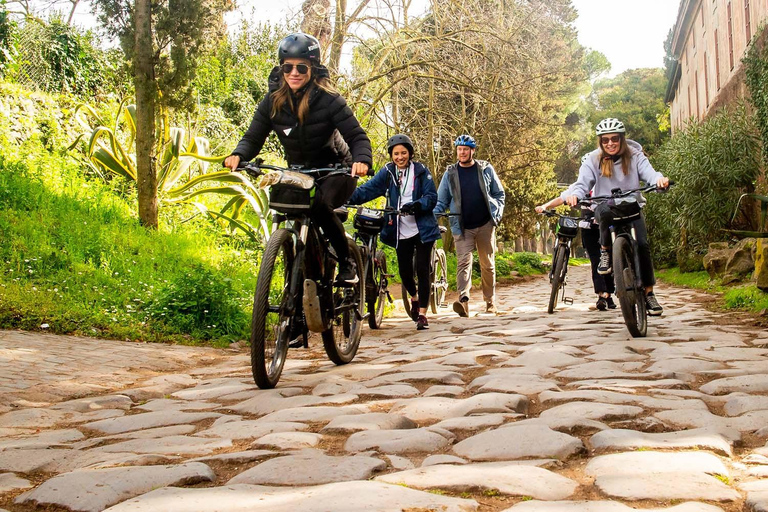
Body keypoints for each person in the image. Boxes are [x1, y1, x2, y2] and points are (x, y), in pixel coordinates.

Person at [224, 32, 372, 285]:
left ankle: (346, 260)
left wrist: (362, 160)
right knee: (285, 204)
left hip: (337, 171)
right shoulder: (272, 102)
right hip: (299, 172)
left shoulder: (330, 100)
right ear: (281, 69)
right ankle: (300, 267)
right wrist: (239, 155)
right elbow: (253, 136)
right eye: (288, 67)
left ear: (312, 69)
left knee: (321, 204)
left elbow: (357, 137)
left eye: (301, 67)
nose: (294, 72)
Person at [560, 118, 669, 316]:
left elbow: (650, 174)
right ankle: (605, 251)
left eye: (615, 139)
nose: (610, 143)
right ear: (600, 142)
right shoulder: (593, 159)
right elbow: (582, 182)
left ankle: (649, 293)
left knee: (642, 245)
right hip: (606, 207)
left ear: (622, 138)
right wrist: (575, 194)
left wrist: (659, 180)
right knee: (602, 212)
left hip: (631, 208)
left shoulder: (635, 156)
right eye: (605, 140)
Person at [347, 134, 440, 330]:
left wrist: (416, 205)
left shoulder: (421, 171)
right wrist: (343, 197)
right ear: (391, 155)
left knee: (422, 269)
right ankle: (414, 299)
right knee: (405, 272)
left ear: (410, 153)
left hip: (422, 228)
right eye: (396, 153)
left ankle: (422, 314)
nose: (400, 157)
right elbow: (368, 190)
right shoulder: (388, 172)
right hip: (400, 229)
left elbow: (432, 197)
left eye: (403, 153)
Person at [434, 134, 505, 316]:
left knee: (487, 264)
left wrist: (495, 215)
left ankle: (490, 302)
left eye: (466, 149)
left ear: (472, 151)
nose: (462, 152)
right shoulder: (450, 173)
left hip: (485, 225)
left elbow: (499, 194)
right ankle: (463, 300)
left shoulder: (485, 169)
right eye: (459, 149)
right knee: (463, 263)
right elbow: (441, 200)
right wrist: (433, 215)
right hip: (461, 226)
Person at [536, 192, 617, 311]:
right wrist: (544, 206)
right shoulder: (582, 185)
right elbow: (562, 198)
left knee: (608, 260)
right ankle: (602, 295)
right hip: (588, 227)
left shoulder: (608, 182)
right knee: (596, 260)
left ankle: (608, 294)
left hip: (607, 226)